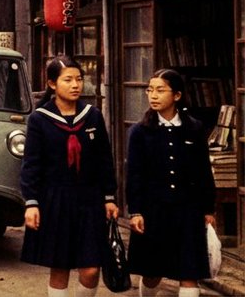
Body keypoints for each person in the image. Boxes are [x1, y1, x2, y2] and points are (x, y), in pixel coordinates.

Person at [20, 56, 118, 297]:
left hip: (89, 200)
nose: (76, 85)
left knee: (91, 269)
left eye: (79, 79)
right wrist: (31, 203)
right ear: (52, 84)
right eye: (68, 80)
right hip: (55, 199)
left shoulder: (92, 115)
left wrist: (109, 197)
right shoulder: (39, 119)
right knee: (60, 266)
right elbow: (31, 164)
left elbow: (104, 159)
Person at [126, 69, 215, 297]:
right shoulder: (140, 131)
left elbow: (204, 171)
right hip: (153, 210)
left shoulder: (194, 128)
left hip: (188, 210)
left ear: (176, 95)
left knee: (189, 272)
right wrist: (135, 211)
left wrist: (208, 208)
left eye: (160, 90)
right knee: (152, 272)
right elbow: (134, 174)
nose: (153, 95)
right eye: (150, 90)